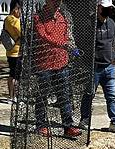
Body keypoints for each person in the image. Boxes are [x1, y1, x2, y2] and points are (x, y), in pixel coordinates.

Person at [33, 0, 82, 138]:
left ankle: (68, 127)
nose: (57, 3)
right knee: (42, 97)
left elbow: (67, 35)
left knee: (64, 96)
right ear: (47, 1)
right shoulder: (38, 17)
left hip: (62, 62)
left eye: (59, 1)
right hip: (44, 64)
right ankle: (41, 126)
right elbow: (43, 35)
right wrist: (62, 44)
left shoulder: (62, 17)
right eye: (55, 1)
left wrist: (71, 47)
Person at [80, 0, 115, 133]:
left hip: (109, 66)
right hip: (94, 67)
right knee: (89, 94)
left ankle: (114, 122)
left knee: (112, 96)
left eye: (109, 8)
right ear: (98, 7)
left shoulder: (111, 23)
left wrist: (112, 58)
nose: (107, 10)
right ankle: (84, 119)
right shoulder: (89, 23)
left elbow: (112, 42)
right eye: (105, 8)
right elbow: (83, 42)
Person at [4, 0, 22, 103]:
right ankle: (13, 96)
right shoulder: (14, 20)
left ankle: (12, 95)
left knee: (12, 74)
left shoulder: (7, 19)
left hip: (10, 51)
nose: (20, 12)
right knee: (16, 75)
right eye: (19, 9)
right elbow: (21, 33)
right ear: (15, 9)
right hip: (16, 51)